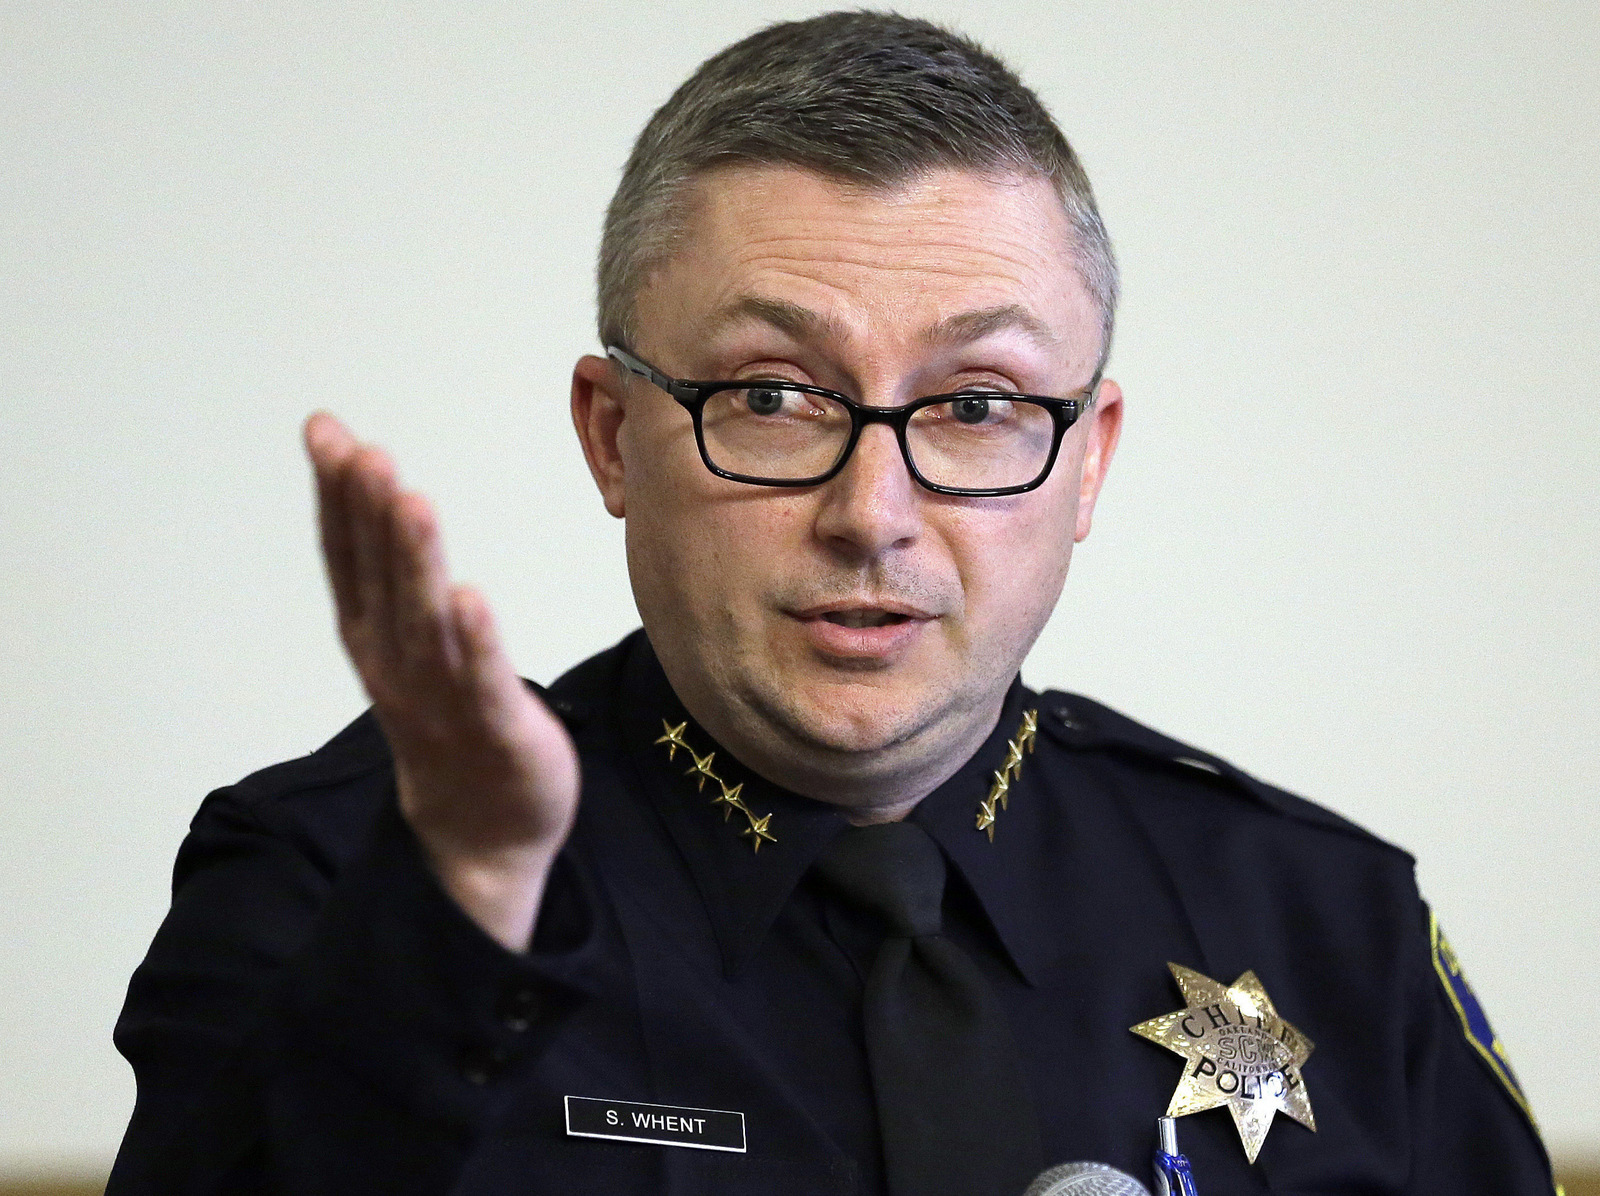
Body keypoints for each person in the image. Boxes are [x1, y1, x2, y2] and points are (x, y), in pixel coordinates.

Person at [106, 12, 1555, 1196]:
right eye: (773, 396)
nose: (872, 515)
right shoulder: (343, 878)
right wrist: (469, 903)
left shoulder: (1326, 921)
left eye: (978, 403)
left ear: (1090, 457)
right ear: (613, 436)